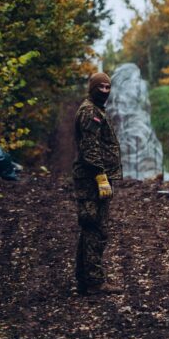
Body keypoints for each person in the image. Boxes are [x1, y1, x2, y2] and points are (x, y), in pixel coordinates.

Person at [72, 71, 122, 296]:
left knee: (90, 227)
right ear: (92, 88)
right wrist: (101, 178)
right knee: (96, 229)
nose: (104, 91)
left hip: (93, 179)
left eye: (107, 87)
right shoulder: (90, 111)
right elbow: (90, 149)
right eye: (100, 87)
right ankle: (94, 281)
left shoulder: (95, 110)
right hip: (92, 181)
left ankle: (85, 279)